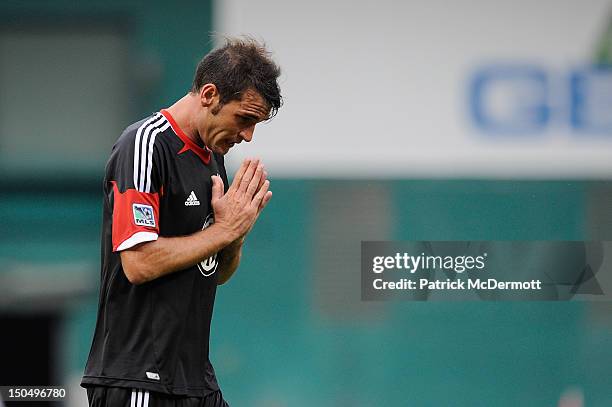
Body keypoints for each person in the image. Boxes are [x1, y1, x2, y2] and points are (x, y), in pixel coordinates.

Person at [81, 38, 282, 407]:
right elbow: (139, 262)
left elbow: (216, 272)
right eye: (244, 118)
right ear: (209, 95)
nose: (248, 135)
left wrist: (234, 236)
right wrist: (224, 230)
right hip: (140, 380)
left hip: (195, 379)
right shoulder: (145, 145)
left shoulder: (213, 158)